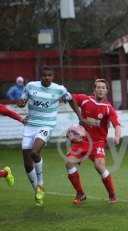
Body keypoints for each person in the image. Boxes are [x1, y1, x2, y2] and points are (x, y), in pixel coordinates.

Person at [19, 66, 84, 206]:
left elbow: (71, 100)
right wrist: (20, 103)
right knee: (26, 161)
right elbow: (22, 101)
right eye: (44, 75)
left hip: (46, 126)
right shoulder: (30, 86)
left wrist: (80, 116)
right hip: (30, 126)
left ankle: (41, 183)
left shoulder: (59, 89)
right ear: (40, 76)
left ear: (53, 77)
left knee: (35, 152)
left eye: (49, 75)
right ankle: (36, 190)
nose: (46, 78)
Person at [65, 78, 121, 205]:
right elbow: (69, 97)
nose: (101, 89)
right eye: (98, 87)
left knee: (99, 166)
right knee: (68, 162)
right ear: (94, 89)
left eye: (103, 88)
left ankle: (112, 194)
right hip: (82, 141)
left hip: (98, 142)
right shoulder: (84, 99)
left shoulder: (108, 108)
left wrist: (117, 137)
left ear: (107, 91)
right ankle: (80, 193)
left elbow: (117, 125)